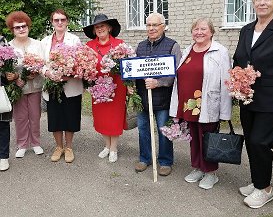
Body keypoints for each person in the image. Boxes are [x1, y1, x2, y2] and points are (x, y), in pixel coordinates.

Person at [233, 0, 273, 209]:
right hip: (248, 97)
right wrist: (237, 78)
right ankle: (258, 181)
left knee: (260, 142)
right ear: (253, 3)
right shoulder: (247, 29)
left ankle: (265, 188)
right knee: (251, 141)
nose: (262, 3)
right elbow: (239, 58)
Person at [169, 17, 232, 189]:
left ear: (211, 32)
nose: (199, 32)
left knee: (207, 138)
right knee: (193, 137)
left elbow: (226, 82)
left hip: (208, 104)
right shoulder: (189, 49)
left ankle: (211, 173)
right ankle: (197, 167)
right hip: (188, 104)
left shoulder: (220, 52)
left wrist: (225, 111)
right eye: (196, 29)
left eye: (203, 29)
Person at [134, 12, 182, 176]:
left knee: (164, 131)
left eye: (155, 25)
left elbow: (176, 73)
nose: (152, 28)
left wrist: (158, 83)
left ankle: (165, 161)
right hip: (143, 98)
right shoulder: (140, 46)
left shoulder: (172, 46)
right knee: (143, 129)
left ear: (163, 27)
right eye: (149, 25)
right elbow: (134, 70)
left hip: (163, 99)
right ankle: (144, 158)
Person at [41, 9, 84, 163]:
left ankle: (69, 147)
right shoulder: (45, 41)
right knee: (55, 118)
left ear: (67, 21)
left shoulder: (75, 40)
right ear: (52, 22)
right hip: (52, 85)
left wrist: (70, 72)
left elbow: (80, 61)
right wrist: (48, 73)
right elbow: (40, 64)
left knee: (70, 116)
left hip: (71, 85)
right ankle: (59, 147)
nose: (60, 23)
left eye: (63, 20)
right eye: (56, 20)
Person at [84, 13, 126, 163]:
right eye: (97, 27)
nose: (100, 28)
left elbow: (126, 66)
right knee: (101, 117)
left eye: (102, 25)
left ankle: (114, 148)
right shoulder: (89, 46)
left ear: (109, 28)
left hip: (117, 87)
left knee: (114, 117)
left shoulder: (119, 44)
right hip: (98, 87)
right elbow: (85, 66)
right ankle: (106, 146)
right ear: (94, 31)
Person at [5, 11, 44, 158]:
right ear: (12, 30)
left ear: (28, 27)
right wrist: (14, 76)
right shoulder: (8, 47)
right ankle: (22, 144)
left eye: (24, 26)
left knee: (35, 115)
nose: (21, 29)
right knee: (20, 117)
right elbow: (5, 69)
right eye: (17, 27)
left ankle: (35, 142)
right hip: (18, 87)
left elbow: (44, 63)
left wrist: (37, 70)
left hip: (35, 86)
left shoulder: (37, 44)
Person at [0, 35, 13, 171]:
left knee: (2, 125)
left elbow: (11, 67)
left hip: (1, 88)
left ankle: (3, 157)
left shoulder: (3, 42)